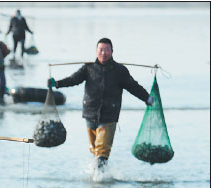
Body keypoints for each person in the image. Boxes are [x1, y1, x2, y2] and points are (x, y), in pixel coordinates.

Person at [48, 38, 154, 169]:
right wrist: (57, 84)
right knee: (94, 150)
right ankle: (98, 177)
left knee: (102, 150)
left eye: (107, 50)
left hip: (109, 115)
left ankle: (100, 180)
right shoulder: (89, 68)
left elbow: (133, 86)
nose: (103, 53)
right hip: (90, 114)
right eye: (101, 50)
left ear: (112, 51)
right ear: (96, 51)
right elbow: (73, 80)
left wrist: (147, 98)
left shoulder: (120, 71)